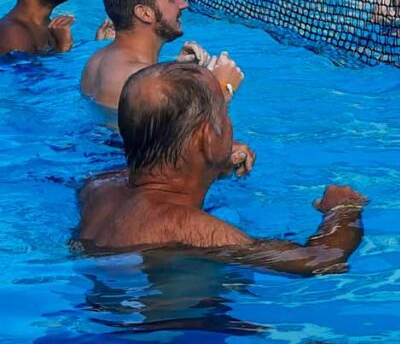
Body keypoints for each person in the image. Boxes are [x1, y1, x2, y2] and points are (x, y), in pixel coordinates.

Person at [77, 62, 367, 276]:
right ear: (207, 138)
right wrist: (343, 211)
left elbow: (151, 180)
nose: (228, 123)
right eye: (224, 115)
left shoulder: (97, 189)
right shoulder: (193, 231)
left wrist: (210, 165)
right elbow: (320, 260)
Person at [81, 0, 244, 111]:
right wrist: (222, 88)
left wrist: (176, 69)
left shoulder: (95, 61)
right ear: (145, 13)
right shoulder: (142, 83)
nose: (183, 4)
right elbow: (193, 139)